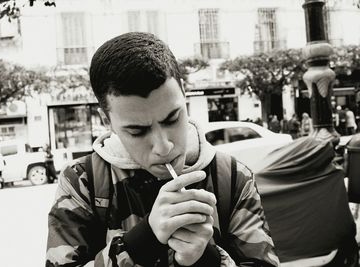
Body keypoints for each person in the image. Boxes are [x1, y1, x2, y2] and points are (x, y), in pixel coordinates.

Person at [46, 32, 279, 267]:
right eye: (137, 131)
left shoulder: (232, 177)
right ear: (107, 121)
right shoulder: (83, 182)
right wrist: (142, 240)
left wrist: (206, 259)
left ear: (184, 95)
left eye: (172, 119)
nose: (163, 146)